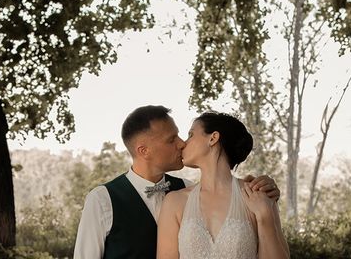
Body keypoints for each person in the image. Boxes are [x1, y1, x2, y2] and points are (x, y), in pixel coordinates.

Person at [73, 105, 280, 259]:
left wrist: (266, 202)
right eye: (172, 139)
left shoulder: (186, 188)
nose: (182, 143)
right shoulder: (102, 200)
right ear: (143, 151)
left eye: (185, 135)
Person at [157, 111, 289, 259]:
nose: (183, 144)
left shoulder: (257, 195)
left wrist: (265, 217)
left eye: (191, 135)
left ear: (213, 138)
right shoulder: (175, 201)